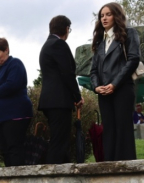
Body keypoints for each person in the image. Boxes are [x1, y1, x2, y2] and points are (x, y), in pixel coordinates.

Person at [90, 2, 140, 161]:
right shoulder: (99, 42)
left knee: (123, 130)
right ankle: (109, 169)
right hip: (104, 93)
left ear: (116, 16)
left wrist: (115, 84)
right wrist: (97, 87)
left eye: (108, 14)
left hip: (123, 89)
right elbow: (93, 71)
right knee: (109, 131)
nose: (104, 18)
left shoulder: (129, 33)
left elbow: (133, 59)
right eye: (102, 16)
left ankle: (125, 171)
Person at [39, 15, 84, 164]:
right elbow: (68, 73)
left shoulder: (46, 45)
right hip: (59, 101)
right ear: (66, 29)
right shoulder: (59, 44)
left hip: (50, 101)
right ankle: (54, 178)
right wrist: (77, 97)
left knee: (59, 140)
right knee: (59, 142)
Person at [0, 38, 33, 167]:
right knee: (5, 150)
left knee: (14, 148)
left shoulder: (15, 64)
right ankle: (9, 181)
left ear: (6, 50)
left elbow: (13, 84)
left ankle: (18, 181)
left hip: (15, 114)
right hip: (1, 118)